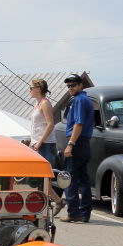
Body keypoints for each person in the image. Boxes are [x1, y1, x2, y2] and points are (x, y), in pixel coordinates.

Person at [61, 74, 94, 223]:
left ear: (81, 85)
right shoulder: (85, 99)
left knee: (71, 179)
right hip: (84, 142)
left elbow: (78, 123)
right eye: (68, 86)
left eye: (73, 85)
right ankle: (84, 213)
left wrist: (71, 144)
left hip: (77, 142)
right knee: (83, 179)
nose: (70, 88)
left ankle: (73, 213)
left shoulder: (79, 100)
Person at [29, 78, 64, 213]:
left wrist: (39, 142)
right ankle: (51, 202)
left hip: (46, 144)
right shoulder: (37, 104)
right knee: (36, 177)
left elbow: (50, 124)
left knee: (44, 178)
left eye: (31, 88)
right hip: (36, 143)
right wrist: (32, 141)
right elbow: (36, 126)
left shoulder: (45, 103)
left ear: (38, 89)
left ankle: (58, 201)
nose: (30, 90)